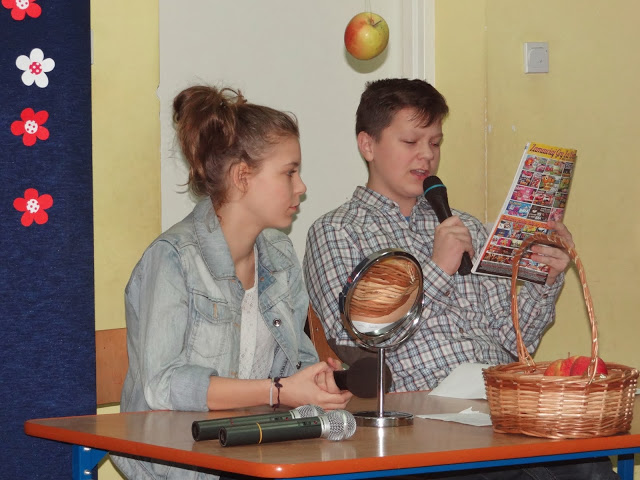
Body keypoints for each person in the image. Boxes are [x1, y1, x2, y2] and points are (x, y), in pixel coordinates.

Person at [303, 78, 618, 479]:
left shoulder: (463, 225)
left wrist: (545, 281)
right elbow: (356, 338)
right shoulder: (338, 231)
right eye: (410, 142)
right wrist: (436, 269)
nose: (426, 156)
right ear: (368, 145)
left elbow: (513, 341)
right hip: (418, 420)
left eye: (435, 143)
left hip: (499, 408)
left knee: (588, 460)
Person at [113, 85, 351, 480]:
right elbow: (161, 386)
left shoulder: (280, 255)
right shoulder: (173, 258)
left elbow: (296, 361)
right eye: (289, 172)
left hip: (256, 452)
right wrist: (276, 390)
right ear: (242, 177)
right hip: (181, 466)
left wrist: (318, 380)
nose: (301, 187)